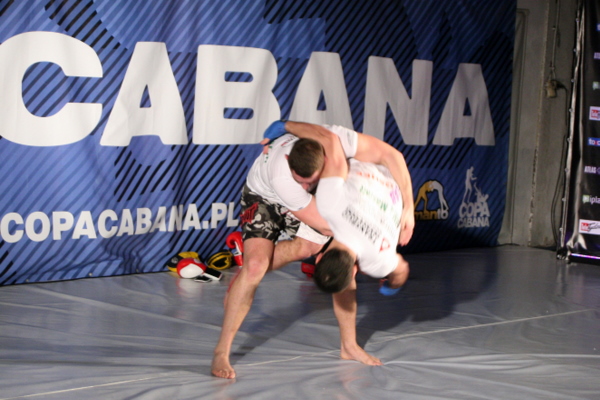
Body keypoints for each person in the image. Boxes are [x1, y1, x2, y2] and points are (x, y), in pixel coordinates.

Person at [277, 122, 414, 366]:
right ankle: (349, 346)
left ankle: (348, 345)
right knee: (330, 269)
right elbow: (401, 272)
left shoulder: (378, 262)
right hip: (375, 179)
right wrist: (391, 286)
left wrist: (391, 282)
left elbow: (402, 270)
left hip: (382, 161)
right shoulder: (330, 204)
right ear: (320, 257)